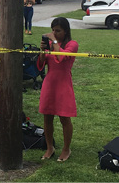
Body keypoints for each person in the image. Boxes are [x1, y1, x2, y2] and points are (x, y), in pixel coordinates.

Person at [37, 17, 79, 162]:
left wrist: (53, 42)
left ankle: (66, 149)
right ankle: (50, 147)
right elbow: (41, 64)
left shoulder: (72, 44)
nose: (54, 33)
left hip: (63, 84)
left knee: (64, 118)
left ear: (66, 31)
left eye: (58, 31)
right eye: (53, 30)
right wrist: (42, 51)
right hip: (50, 83)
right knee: (47, 117)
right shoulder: (51, 45)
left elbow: (61, 57)